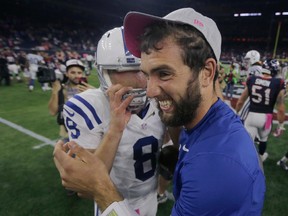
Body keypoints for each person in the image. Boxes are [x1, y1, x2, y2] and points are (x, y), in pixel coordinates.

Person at [54, 7, 266, 216]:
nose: (149, 91)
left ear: (207, 72)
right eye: (146, 74)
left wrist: (102, 190)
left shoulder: (216, 166)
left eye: (164, 73)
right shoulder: (204, 124)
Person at [62, 26, 176, 215]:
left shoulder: (158, 99)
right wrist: (115, 129)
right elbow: (88, 183)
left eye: (146, 70)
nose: (141, 81)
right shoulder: (87, 106)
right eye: (130, 69)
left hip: (149, 197)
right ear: (105, 72)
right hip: (111, 199)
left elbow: (162, 142)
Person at [236, 59, 286, 162]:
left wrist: (237, 112)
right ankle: (261, 157)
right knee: (263, 140)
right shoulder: (278, 82)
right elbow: (280, 107)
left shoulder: (252, 79)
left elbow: (241, 101)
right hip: (266, 118)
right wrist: (280, 125)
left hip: (251, 115)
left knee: (247, 142)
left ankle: (244, 160)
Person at [48, 59, 87, 141]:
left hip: (86, 134)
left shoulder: (86, 89)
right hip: (68, 135)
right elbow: (52, 112)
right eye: (73, 72)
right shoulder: (60, 89)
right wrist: (55, 91)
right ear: (66, 74)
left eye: (79, 73)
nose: (76, 76)